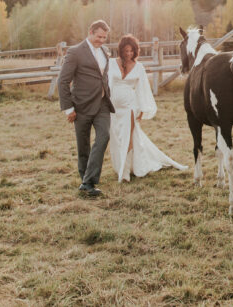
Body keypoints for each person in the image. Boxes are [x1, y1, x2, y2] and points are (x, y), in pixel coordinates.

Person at [108, 34, 186, 181]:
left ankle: (124, 174)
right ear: (121, 50)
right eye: (126, 51)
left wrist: (142, 108)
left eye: (132, 51)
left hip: (130, 107)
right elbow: (106, 83)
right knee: (117, 138)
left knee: (128, 137)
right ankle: (124, 166)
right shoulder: (112, 63)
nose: (129, 54)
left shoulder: (138, 67)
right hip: (113, 108)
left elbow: (143, 88)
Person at [58, 19, 114, 197]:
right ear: (90, 32)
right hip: (81, 106)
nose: (102, 40)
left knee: (104, 136)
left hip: (103, 104)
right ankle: (87, 182)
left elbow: (103, 76)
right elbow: (63, 81)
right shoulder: (74, 52)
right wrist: (68, 108)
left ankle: (88, 180)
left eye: (104, 37)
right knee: (83, 146)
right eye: (99, 36)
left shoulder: (105, 51)